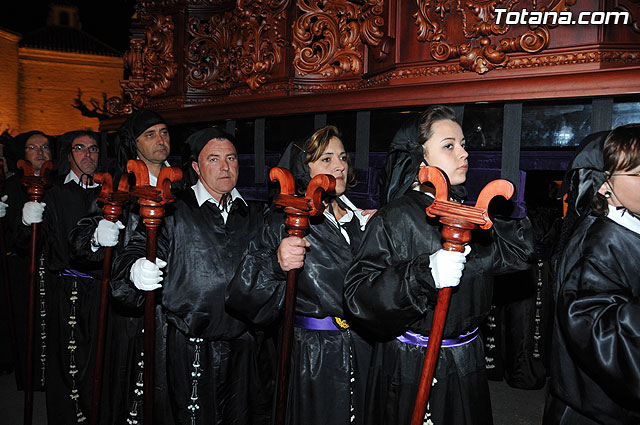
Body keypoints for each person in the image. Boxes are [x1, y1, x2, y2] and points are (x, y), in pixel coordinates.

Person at [343, 105, 535, 425]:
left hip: (467, 358)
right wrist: (422, 274)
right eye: (449, 146)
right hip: (412, 362)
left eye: (463, 145)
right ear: (420, 160)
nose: (463, 153)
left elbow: (515, 254)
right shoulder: (395, 218)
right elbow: (359, 295)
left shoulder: (463, 212)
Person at [110, 127, 272, 425]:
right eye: (214, 159)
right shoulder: (172, 209)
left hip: (243, 344)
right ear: (196, 167)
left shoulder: (255, 214)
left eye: (231, 158)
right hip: (189, 345)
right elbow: (136, 249)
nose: (225, 167)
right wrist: (135, 269)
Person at [226, 125, 374, 425]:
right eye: (326, 159)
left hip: (363, 347)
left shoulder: (361, 219)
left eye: (343, 157)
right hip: (314, 356)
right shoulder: (285, 220)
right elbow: (241, 294)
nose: (340, 166)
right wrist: (276, 266)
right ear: (304, 169)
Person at [543, 123, 640, 425]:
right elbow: (600, 335)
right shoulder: (598, 245)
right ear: (603, 184)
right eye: (638, 174)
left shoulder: (627, 228)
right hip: (592, 414)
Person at [17, 130, 103, 424]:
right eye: (80, 148)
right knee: (69, 364)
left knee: (100, 362)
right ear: (69, 155)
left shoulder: (109, 192)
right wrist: (27, 223)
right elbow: (29, 245)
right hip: (70, 290)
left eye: (93, 149)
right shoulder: (53, 195)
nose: (88, 155)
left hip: (104, 290)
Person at [1, 131, 55, 391]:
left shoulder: (57, 184)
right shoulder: (13, 187)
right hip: (24, 268)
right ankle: (30, 377)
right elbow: (12, 238)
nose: (40, 152)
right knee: (27, 323)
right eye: (32, 147)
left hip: (54, 270)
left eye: (44, 147)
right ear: (22, 154)